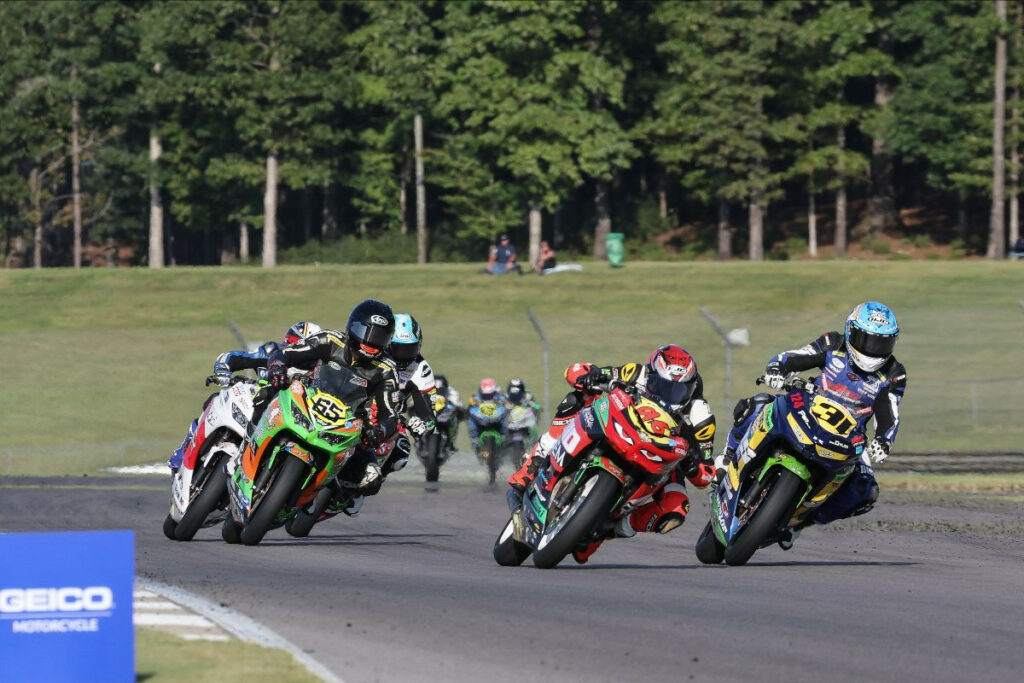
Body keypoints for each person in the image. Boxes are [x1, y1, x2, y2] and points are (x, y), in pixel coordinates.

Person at [719, 301, 907, 550]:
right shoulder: (832, 343)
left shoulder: (894, 373)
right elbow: (797, 356)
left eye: (882, 343)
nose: (873, 350)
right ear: (851, 331)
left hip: (850, 436)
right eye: (867, 340)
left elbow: (889, 411)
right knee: (757, 404)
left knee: (866, 490)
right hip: (805, 405)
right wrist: (778, 368)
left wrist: (884, 439)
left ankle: (799, 522)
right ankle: (727, 457)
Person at [507, 345, 717, 563]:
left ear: (690, 388)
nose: (669, 395)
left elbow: (706, 472)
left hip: (663, 457)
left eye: (678, 391)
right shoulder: (636, 373)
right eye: (661, 385)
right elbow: (589, 373)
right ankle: (534, 463)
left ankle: (607, 529)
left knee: (676, 509)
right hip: (622, 424)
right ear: (651, 373)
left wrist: (694, 466)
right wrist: (589, 375)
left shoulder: (701, 416)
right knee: (577, 400)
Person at [260, 300, 402, 511]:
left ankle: (326, 500)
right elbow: (286, 354)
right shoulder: (330, 339)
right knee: (263, 394)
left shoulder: (386, 369)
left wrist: (379, 431)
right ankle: (247, 442)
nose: (371, 343)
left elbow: (390, 415)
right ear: (353, 328)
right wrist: (278, 366)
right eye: (367, 333)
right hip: (307, 399)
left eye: (380, 337)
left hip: (349, 422)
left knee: (371, 479)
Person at [167, 321, 322, 471]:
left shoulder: (317, 376)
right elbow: (234, 357)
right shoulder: (272, 352)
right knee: (215, 399)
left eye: (301, 346)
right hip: (250, 405)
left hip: (279, 422)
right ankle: (185, 449)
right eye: (293, 342)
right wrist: (224, 369)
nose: (295, 348)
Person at [385, 313, 440, 476]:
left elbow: (430, 411)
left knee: (401, 453)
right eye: (398, 349)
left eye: (410, 349)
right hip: (360, 409)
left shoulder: (421, 369)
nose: (403, 355)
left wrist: (422, 424)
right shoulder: (375, 356)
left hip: (392, 416)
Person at [466, 378, 509, 453]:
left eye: (490, 394)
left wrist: (506, 405)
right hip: (481, 419)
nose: (488, 396)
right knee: (470, 419)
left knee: (506, 417)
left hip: (496, 418)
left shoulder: (500, 396)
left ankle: (504, 436)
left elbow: (507, 405)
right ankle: (474, 439)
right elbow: (470, 408)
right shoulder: (475, 397)